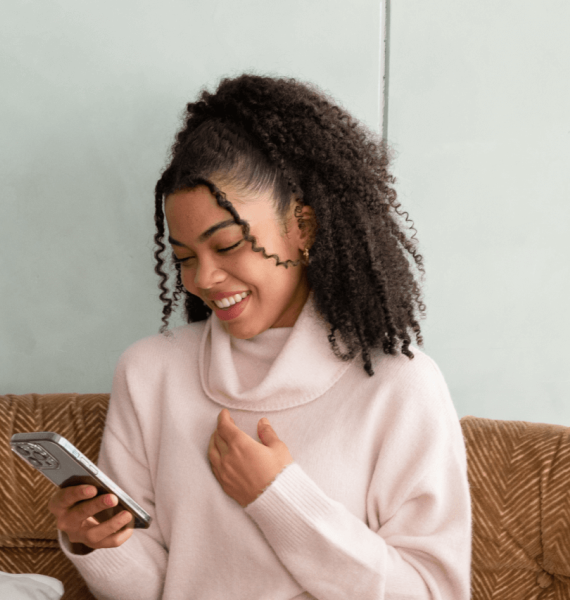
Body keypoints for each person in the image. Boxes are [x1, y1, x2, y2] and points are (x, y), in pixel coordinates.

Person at [45, 74, 471, 600]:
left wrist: (279, 499)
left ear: (303, 228)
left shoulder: (398, 386)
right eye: (183, 258)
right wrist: (99, 544)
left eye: (226, 245)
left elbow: (434, 592)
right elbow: (160, 588)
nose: (203, 279)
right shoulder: (150, 372)